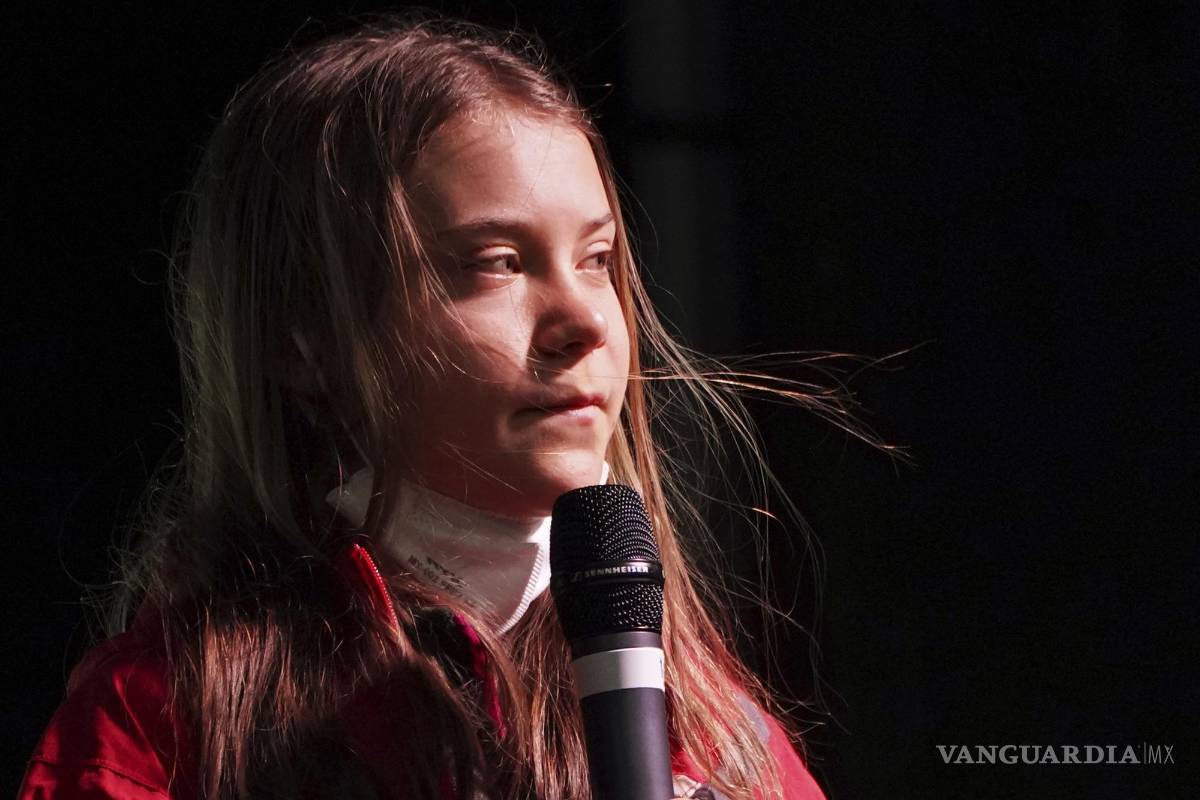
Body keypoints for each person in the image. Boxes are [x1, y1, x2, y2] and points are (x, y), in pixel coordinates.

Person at [20, 13, 849, 799]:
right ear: (303, 340)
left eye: (597, 260)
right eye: (495, 263)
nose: (586, 323)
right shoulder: (166, 718)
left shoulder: (720, 732)